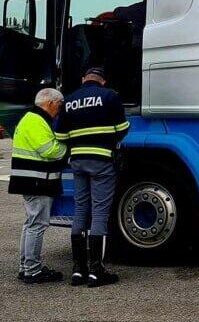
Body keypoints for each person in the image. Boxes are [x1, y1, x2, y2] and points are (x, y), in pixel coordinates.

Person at [54, 67, 129, 287]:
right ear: (103, 81)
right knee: (100, 213)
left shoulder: (69, 100)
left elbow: (60, 135)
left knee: (80, 210)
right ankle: (96, 271)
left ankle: (78, 270)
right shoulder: (109, 96)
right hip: (102, 160)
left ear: (83, 79)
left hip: (78, 161)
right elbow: (122, 128)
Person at [8, 87, 67, 284]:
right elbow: (50, 150)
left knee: (30, 224)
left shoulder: (30, 119)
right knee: (37, 225)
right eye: (59, 105)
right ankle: (32, 270)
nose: (60, 109)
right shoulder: (36, 121)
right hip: (37, 181)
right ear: (50, 103)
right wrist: (69, 148)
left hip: (30, 180)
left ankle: (26, 267)